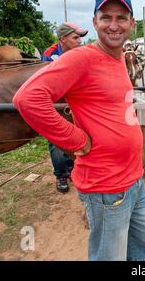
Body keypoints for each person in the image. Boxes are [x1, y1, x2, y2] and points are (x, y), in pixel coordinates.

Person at [13, 0, 145, 261]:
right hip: (106, 188)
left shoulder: (117, 58)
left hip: (134, 180)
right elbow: (28, 99)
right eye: (106, 17)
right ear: (95, 22)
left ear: (132, 23)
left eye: (121, 18)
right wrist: (76, 140)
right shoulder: (81, 58)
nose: (113, 25)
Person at [41, 22, 88, 193]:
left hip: (75, 98)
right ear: (63, 39)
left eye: (80, 37)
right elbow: (48, 82)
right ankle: (60, 174)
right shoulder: (50, 55)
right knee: (56, 138)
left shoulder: (81, 52)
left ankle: (72, 167)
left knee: (77, 132)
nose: (80, 41)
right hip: (56, 100)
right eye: (76, 37)